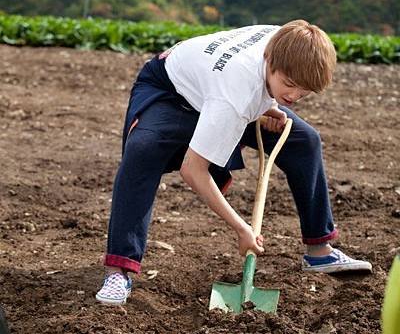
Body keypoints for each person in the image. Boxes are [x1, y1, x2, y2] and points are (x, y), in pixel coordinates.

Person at [96, 20, 372, 305]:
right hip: (170, 92)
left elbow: (260, 85)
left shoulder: (289, 42)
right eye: (289, 85)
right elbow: (193, 170)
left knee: (305, 141)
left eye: (303, 93)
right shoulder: (236, 92)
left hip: (217, 90)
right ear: (270, 60)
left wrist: (269, 104)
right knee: (142, 151)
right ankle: (118, 269)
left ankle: (319, 251)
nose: (293, 96)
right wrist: (242, 229)